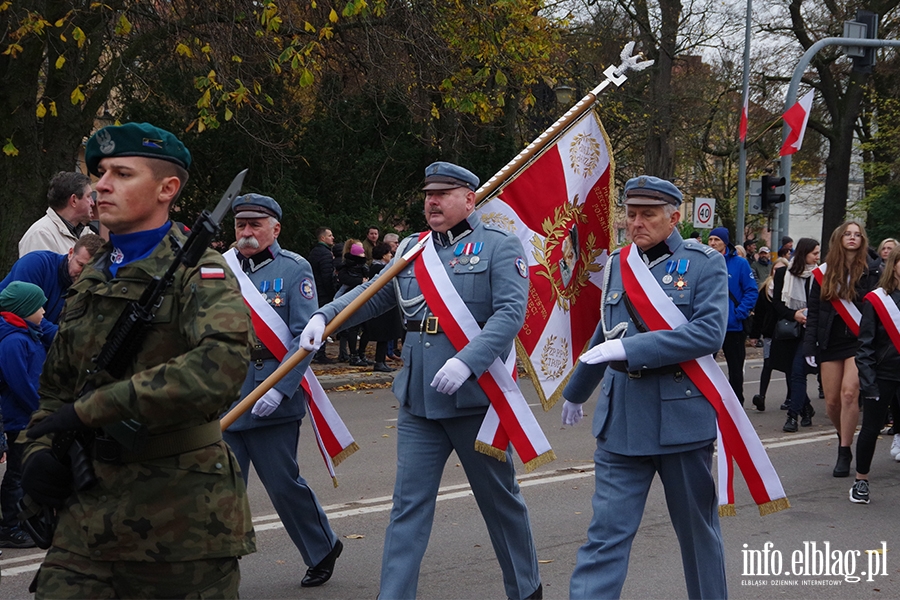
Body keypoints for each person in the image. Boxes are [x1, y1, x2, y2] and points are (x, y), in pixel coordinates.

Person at [20, 122, 256, 597]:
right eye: (101, 172)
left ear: (167, 189)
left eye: (122, 173)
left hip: (181, 521)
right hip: (86, 520)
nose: (102, 184)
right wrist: (37, 453)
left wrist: (95, 409)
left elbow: (221, 368)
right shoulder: (91, 276)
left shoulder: (201, 272)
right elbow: (58, 392)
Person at [299, 161, 543, 600]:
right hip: (418, 401)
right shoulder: (414, 248)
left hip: (475, 397)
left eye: (444, 193)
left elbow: (510, 314)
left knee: (499, 502)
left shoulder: (499, 246)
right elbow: (374, 294)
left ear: (469, 199)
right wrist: (325, 317)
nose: (432, 201)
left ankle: (526, 590)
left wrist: (468, 361)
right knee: (407, 508)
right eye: (429, 193)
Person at [560, 175, 728, 600]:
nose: (637, 223)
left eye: (648, 215)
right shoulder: (618, 263)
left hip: (681, 418)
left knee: (697, 535)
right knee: (604, 537)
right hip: (622, 421)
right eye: (632, 214)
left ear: (674, 217)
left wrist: (630, 351)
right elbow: (607, 332)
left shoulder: (704, 262)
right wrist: (578, 388)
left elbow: (708, 333)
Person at [222, 194, 343, 587]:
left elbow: (305, 337)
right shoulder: (219, 268)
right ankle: (214, 569)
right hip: (228, 393)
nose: (246, 232)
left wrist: (280, 388)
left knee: (282, 484)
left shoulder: (295, 269)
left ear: (275, 229)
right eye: (241, 224)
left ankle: (322, 546)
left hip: (273, 390)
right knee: (219, 487)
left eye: (255, 225)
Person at [804, 221, 880, 477]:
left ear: (862, 241)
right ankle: (842, 436)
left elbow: (875, 307)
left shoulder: (872, 271)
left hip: (858, 342)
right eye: (848, 234)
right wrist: (809, 346)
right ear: (839, 239)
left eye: (857, 234)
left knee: (849, 394)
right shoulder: (822, 273)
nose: (852, 238)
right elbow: (813, 313)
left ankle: (845, 450)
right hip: (830, 341)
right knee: (833, 403)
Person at [0, 282, 51, 549]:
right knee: (17, 474)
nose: (43, 310)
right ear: (23, 309)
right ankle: (10, 525)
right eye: (38, 306)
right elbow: (20, 383)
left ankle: (27, 521)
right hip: (20, 420)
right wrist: (40, 409)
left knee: (29, 471)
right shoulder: (13, 341)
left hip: (28, 417)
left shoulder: (29, 334)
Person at [852, 245, 900, 503]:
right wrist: (868, 382)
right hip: (884, 374)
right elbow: (865, 345)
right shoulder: (876, 299)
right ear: (894, 264)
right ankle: (861, 480)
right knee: (871, 428)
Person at [772, 238, 820, 433]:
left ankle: (792, 416)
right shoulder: (784, 273)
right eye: (814, 253)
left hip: (811, 331)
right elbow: (776, 303)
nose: (818, 257)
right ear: (803, 253)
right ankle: (806, 408)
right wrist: (795, 314)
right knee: (792, 373)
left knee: (799, 371)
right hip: (790, 330)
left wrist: (811, 315)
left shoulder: (820, 275)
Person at [0, 234, 104, 324]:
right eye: (81, 265)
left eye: (91, 270)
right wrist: (63, 340)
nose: (83, 273)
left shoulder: (94, 285)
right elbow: (26, 314)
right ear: (70, 253)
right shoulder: (35, 263)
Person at [708, 227, 758, 406]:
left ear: (725, 242)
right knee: (706, 368)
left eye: (717, 240)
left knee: (735, 370)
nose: (713, 243)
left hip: (733, 326)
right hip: (710, 326)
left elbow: (751, 291)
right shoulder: (704, 262)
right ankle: (710, 401)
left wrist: (739, 313)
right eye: (710, 239)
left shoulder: (740, 264)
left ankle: (736, 404)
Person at [18, 171, 96, 257]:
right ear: (74, 200)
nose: (92, 203)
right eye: (88, 196)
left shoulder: (87, 234)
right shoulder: (40, 235)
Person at [750, 257, 790, 411]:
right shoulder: (766, 289)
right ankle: (761, 396)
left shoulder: (790, 289)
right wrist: (754, 335)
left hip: (786, 332)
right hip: (769, 332)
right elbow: (759, 314)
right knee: (768, 364)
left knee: (788, 366)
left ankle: (790, 397)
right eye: (775, 269)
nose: (777, 273)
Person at [364, 243, 404, 372]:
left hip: (387, 310)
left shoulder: (381, 266)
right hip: (383, 310)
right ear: (383, 255)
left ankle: (381, 361)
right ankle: (379, 361)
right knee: (383, 335)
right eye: (388, 253)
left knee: (387, 336)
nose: (390, 255)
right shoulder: (378, 267)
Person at [337, 241, 370, 366]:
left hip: (363, 299)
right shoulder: (345, 268)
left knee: (367, 329)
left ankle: (361, 353)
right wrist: (360, 281)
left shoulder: (364, 268)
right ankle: (353, 355)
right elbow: (344, 280)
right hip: (352, 299)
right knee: (353, 329)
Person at [308, 226, 337, 363]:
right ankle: (320, 353)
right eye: (330, 235)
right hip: (323, 293)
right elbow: (326, 276)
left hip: (315, 291)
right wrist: (332, 292)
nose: (333, 238)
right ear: (322, 238)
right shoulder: (325, 254)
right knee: (323, 322)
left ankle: (316, 351)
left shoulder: (314, 252)